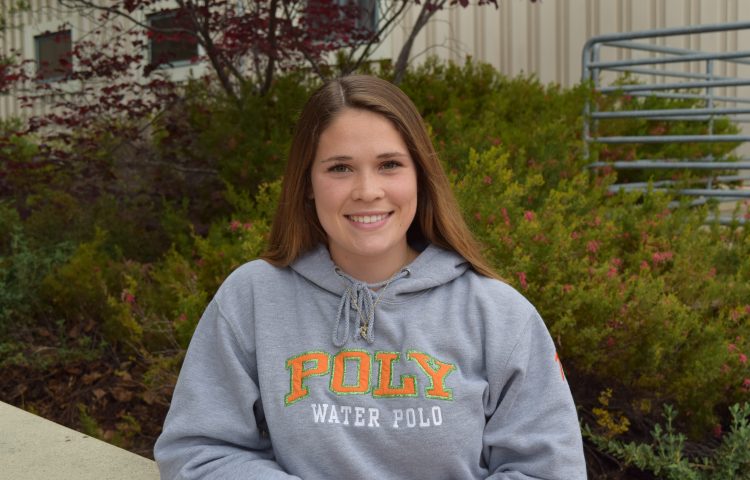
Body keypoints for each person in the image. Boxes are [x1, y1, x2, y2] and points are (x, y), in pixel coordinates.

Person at [154, 75, 587, 479]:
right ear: (307, 183)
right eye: (340, 168)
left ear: (420, 176)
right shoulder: (252, 298)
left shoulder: (499, 314)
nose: (367, 190)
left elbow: (548, 469)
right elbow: (199, 452)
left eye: (389, 164)